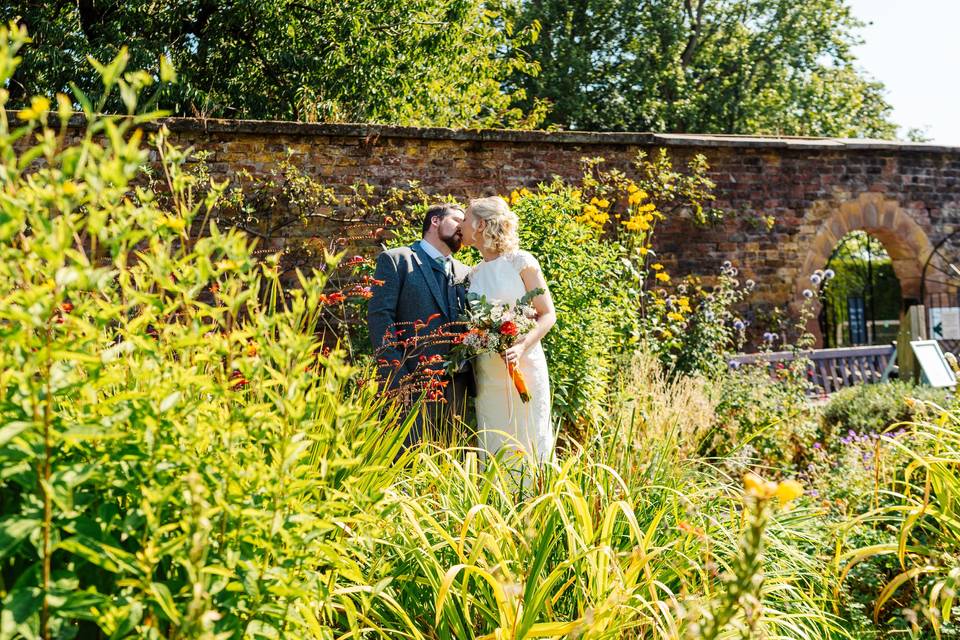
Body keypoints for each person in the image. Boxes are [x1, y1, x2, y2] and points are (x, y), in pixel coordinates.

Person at [459, 196, 556, 466]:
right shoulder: (474, 274)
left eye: (466, 219)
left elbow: (548, 314)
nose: (461, 225)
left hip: (525, 366)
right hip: (489, 372)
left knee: (530, 437)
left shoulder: (521, 262)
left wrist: (522, 345)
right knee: (495, 441)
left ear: (480, 225)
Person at [367, 203, 472, 447]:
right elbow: (380, 319)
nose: (463, 227)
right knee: (407, 461)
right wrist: (396, 376)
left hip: (457, 389)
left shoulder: (466, 272)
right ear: (435, 221)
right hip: (410, 383)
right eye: (458, 219)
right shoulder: (396, 260)